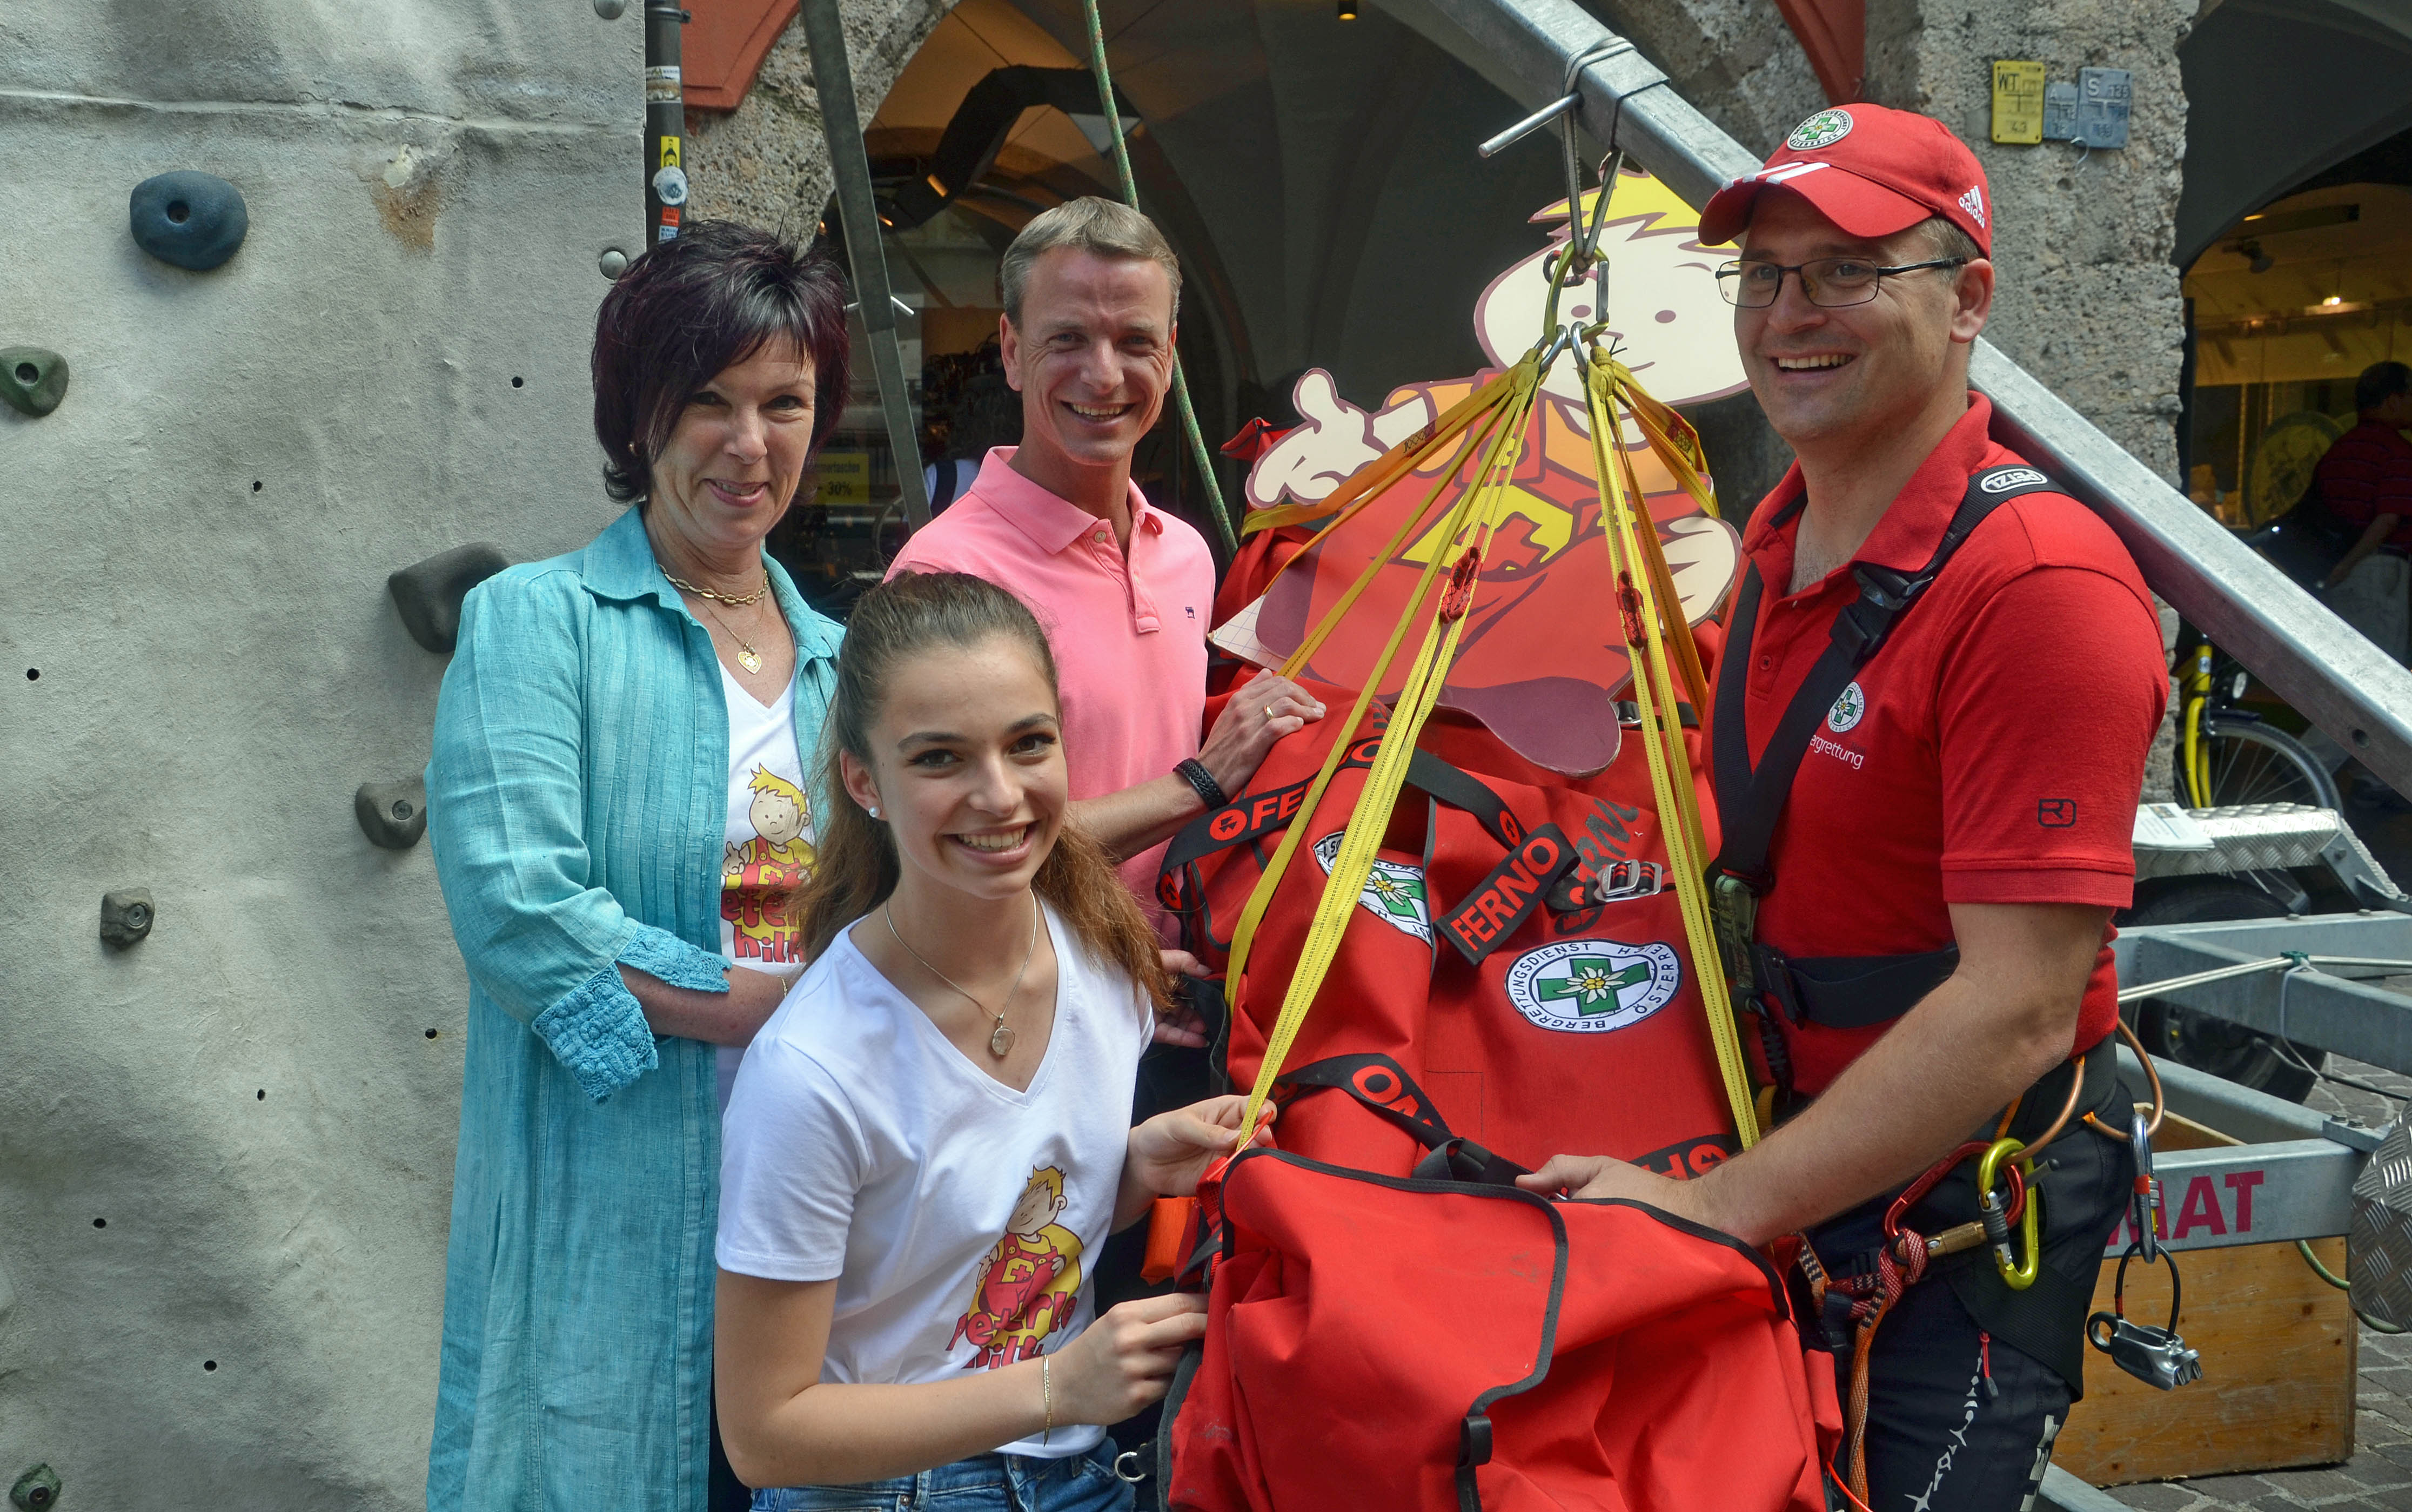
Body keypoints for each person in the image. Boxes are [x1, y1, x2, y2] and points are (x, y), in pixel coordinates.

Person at [1519, 106, 2168, 1510]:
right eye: (1764, 273)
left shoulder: (2040, 585)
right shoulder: (1779, 539)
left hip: (1961, 1191)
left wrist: (1713, 1208)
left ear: (1969, 296)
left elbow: (2016, 1006)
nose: (1789, 312)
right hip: (1809, 1149)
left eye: (1848, 270)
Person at [424, 221, 852, 1511]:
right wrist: (792, 1007)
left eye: (784, 402)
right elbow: (523, 907)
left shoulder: (847, 658)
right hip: (612, 1190)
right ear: (636, 413)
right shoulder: (537, 619)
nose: (749, 443)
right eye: (707, 401)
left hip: (815, 1194)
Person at [713, 571, 1268, 1510]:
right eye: (940, 758)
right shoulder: (810, 1070)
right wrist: (1056, 1387)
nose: (999, 793)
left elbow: (961, 1239)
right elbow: (765, 1433)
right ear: (864, 781)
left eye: (1027, 743)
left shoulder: (1098, 957)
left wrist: (1130, 1168)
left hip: (1079, 1474)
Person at [885, 198, 1325, 938]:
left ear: (1171, 354)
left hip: (1181, 1003)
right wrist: (1203, 781)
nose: (1103, 373)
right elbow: (961, 848)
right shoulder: (946, 574)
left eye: (1134, 340)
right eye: (1068, 338)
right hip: (1034, 1021)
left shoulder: (1185, 553)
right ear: (1012, 349)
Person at [2314, 360, 2412, 669]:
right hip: (2378, 571)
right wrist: (2347, 566)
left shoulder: (2338, 450)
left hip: (2339, 571)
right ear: (2394, 400)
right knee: (2378, 674)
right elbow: (2388, 519)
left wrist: (2337, 571)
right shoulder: (2397, 451)